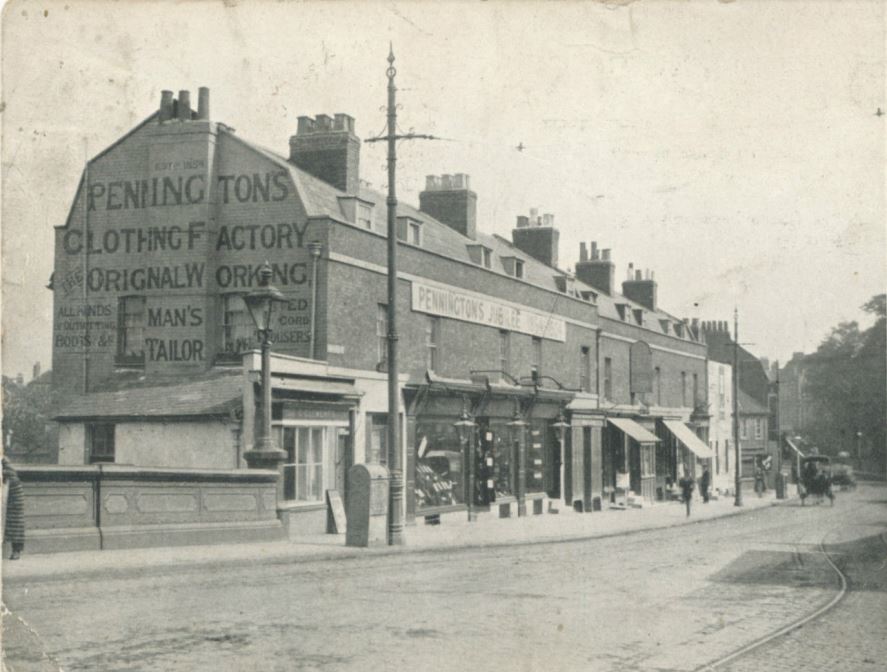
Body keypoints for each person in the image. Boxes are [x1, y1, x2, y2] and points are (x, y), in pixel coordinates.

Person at [3, 457, 25, 560]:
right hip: (4, 492)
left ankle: (16, 550)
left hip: (13, 494)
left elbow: (11, 475)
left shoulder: (4, 460)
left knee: (15, 522)